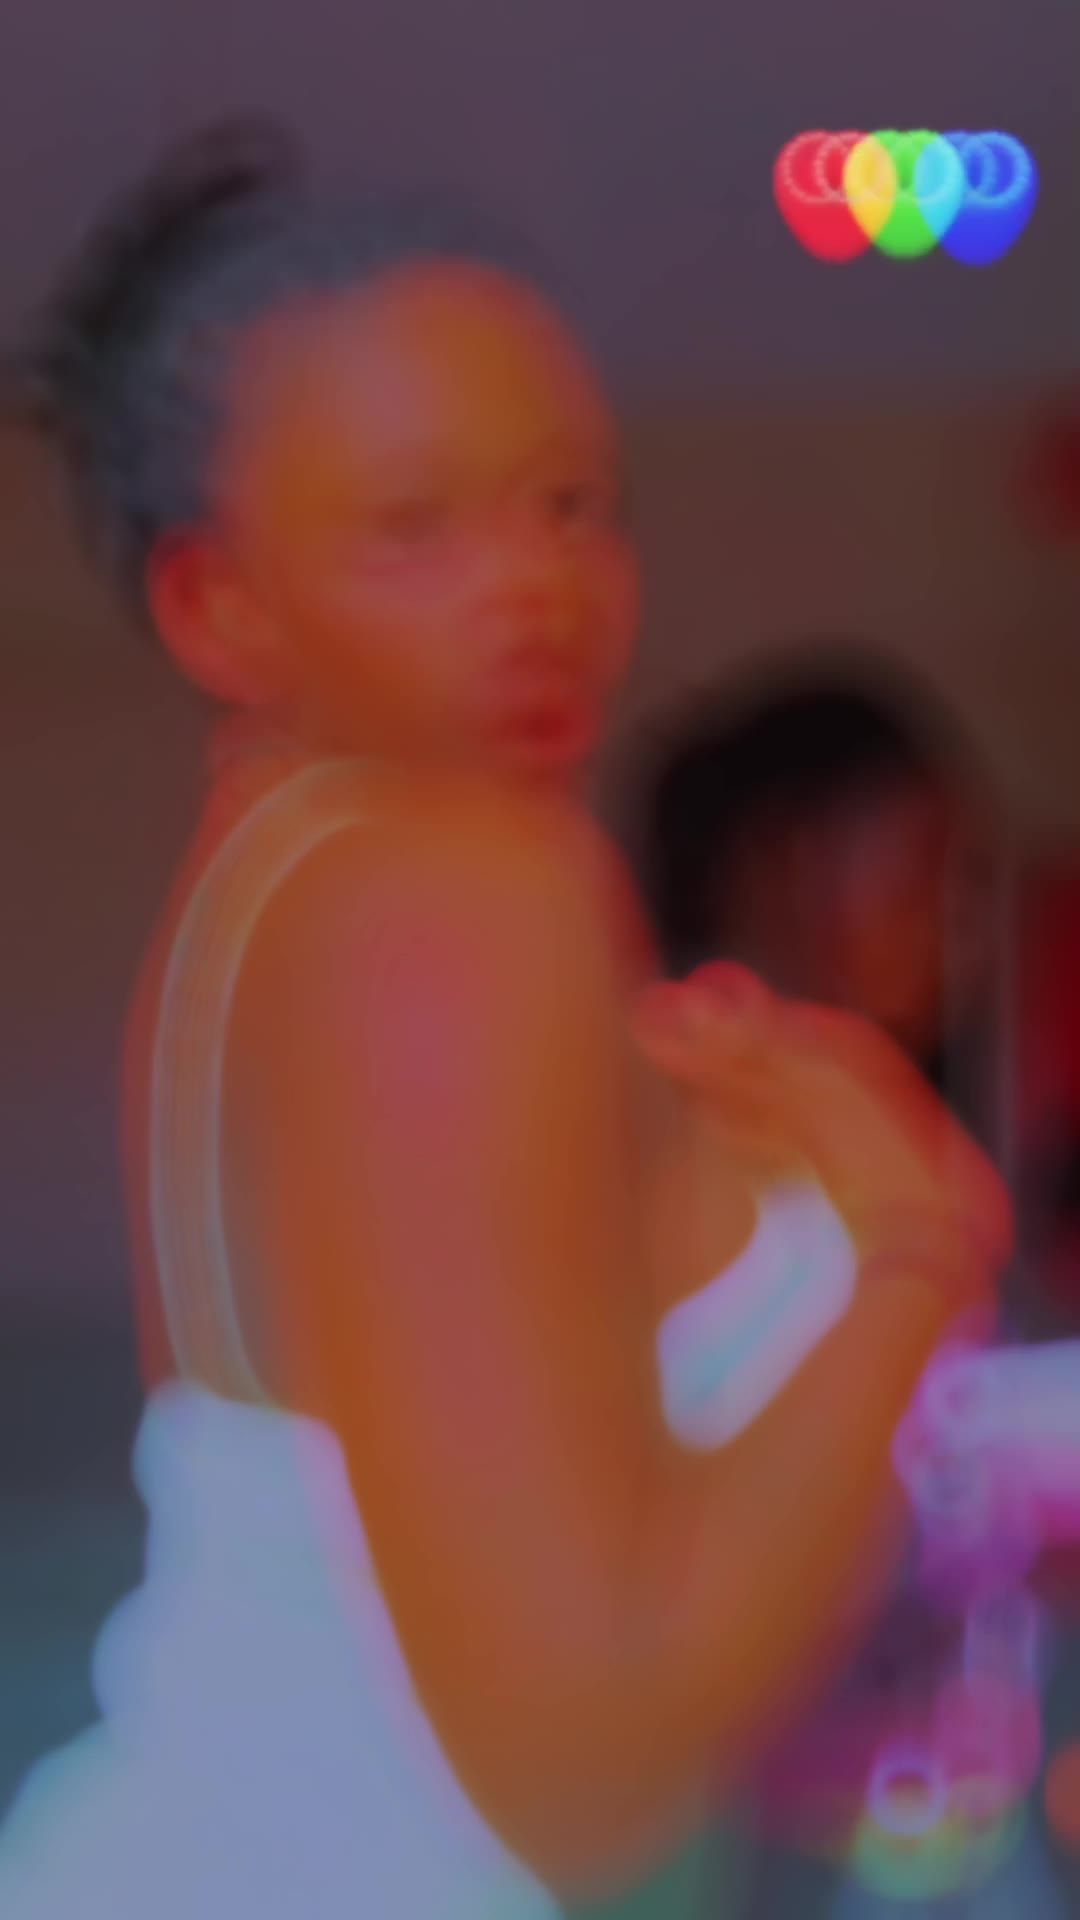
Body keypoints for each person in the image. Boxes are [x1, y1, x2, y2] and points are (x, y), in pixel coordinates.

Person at [0, 126, 1008, 1920]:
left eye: (573, 504)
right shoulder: (460, 884)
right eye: (418, 528)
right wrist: (912, 1244)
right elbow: (586, 1772)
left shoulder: (259, 911)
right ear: (214, 604)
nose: (536, 585)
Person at [642, 649, 1005, 1147]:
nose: (966, 937)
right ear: (784, 862)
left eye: (971, 890)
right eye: (921, 881)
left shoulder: (890, 1114)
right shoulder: (671, 1095)